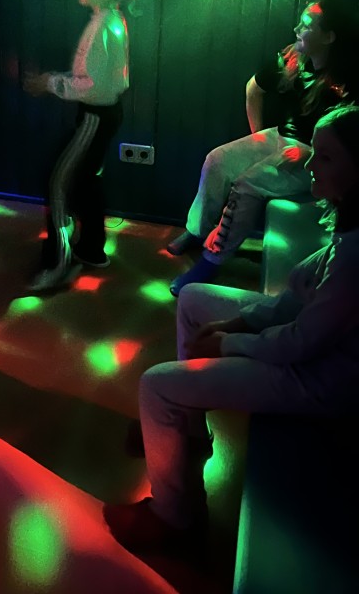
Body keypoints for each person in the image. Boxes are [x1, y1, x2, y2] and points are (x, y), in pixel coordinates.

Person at [104, 102, 359, 555]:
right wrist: (237, 321)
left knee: (155, 386)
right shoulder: (346, 222)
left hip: (319, 380)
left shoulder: (355, 257)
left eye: (324, 157)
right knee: (193, 299)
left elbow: (300, 343)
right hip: (306, 347)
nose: (309, 164)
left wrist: (229, 342)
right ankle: (189, 431)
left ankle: (174, 518)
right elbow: (294, 299)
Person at [169, 0, 359, 296]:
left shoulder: (348, 79)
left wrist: (311, 153)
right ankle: (197, 231)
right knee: (216, 160)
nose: (297, 29)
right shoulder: (292, 58)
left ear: (328, 36)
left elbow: (351, 139)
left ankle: (212, 260)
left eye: (306, 25)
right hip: (279, 137)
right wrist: (258, 136)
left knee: (247, 185)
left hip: (312, 157)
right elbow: (253, 88)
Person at [23, 0, 145, 292]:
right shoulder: (111, 20)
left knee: (57, 183)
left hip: (95, 116)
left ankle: (57, 266)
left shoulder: (104, 26)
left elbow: (92, 87)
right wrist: (54, 81)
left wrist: (49, 83)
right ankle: (91, 248)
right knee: (86, 180)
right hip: (103, 115)